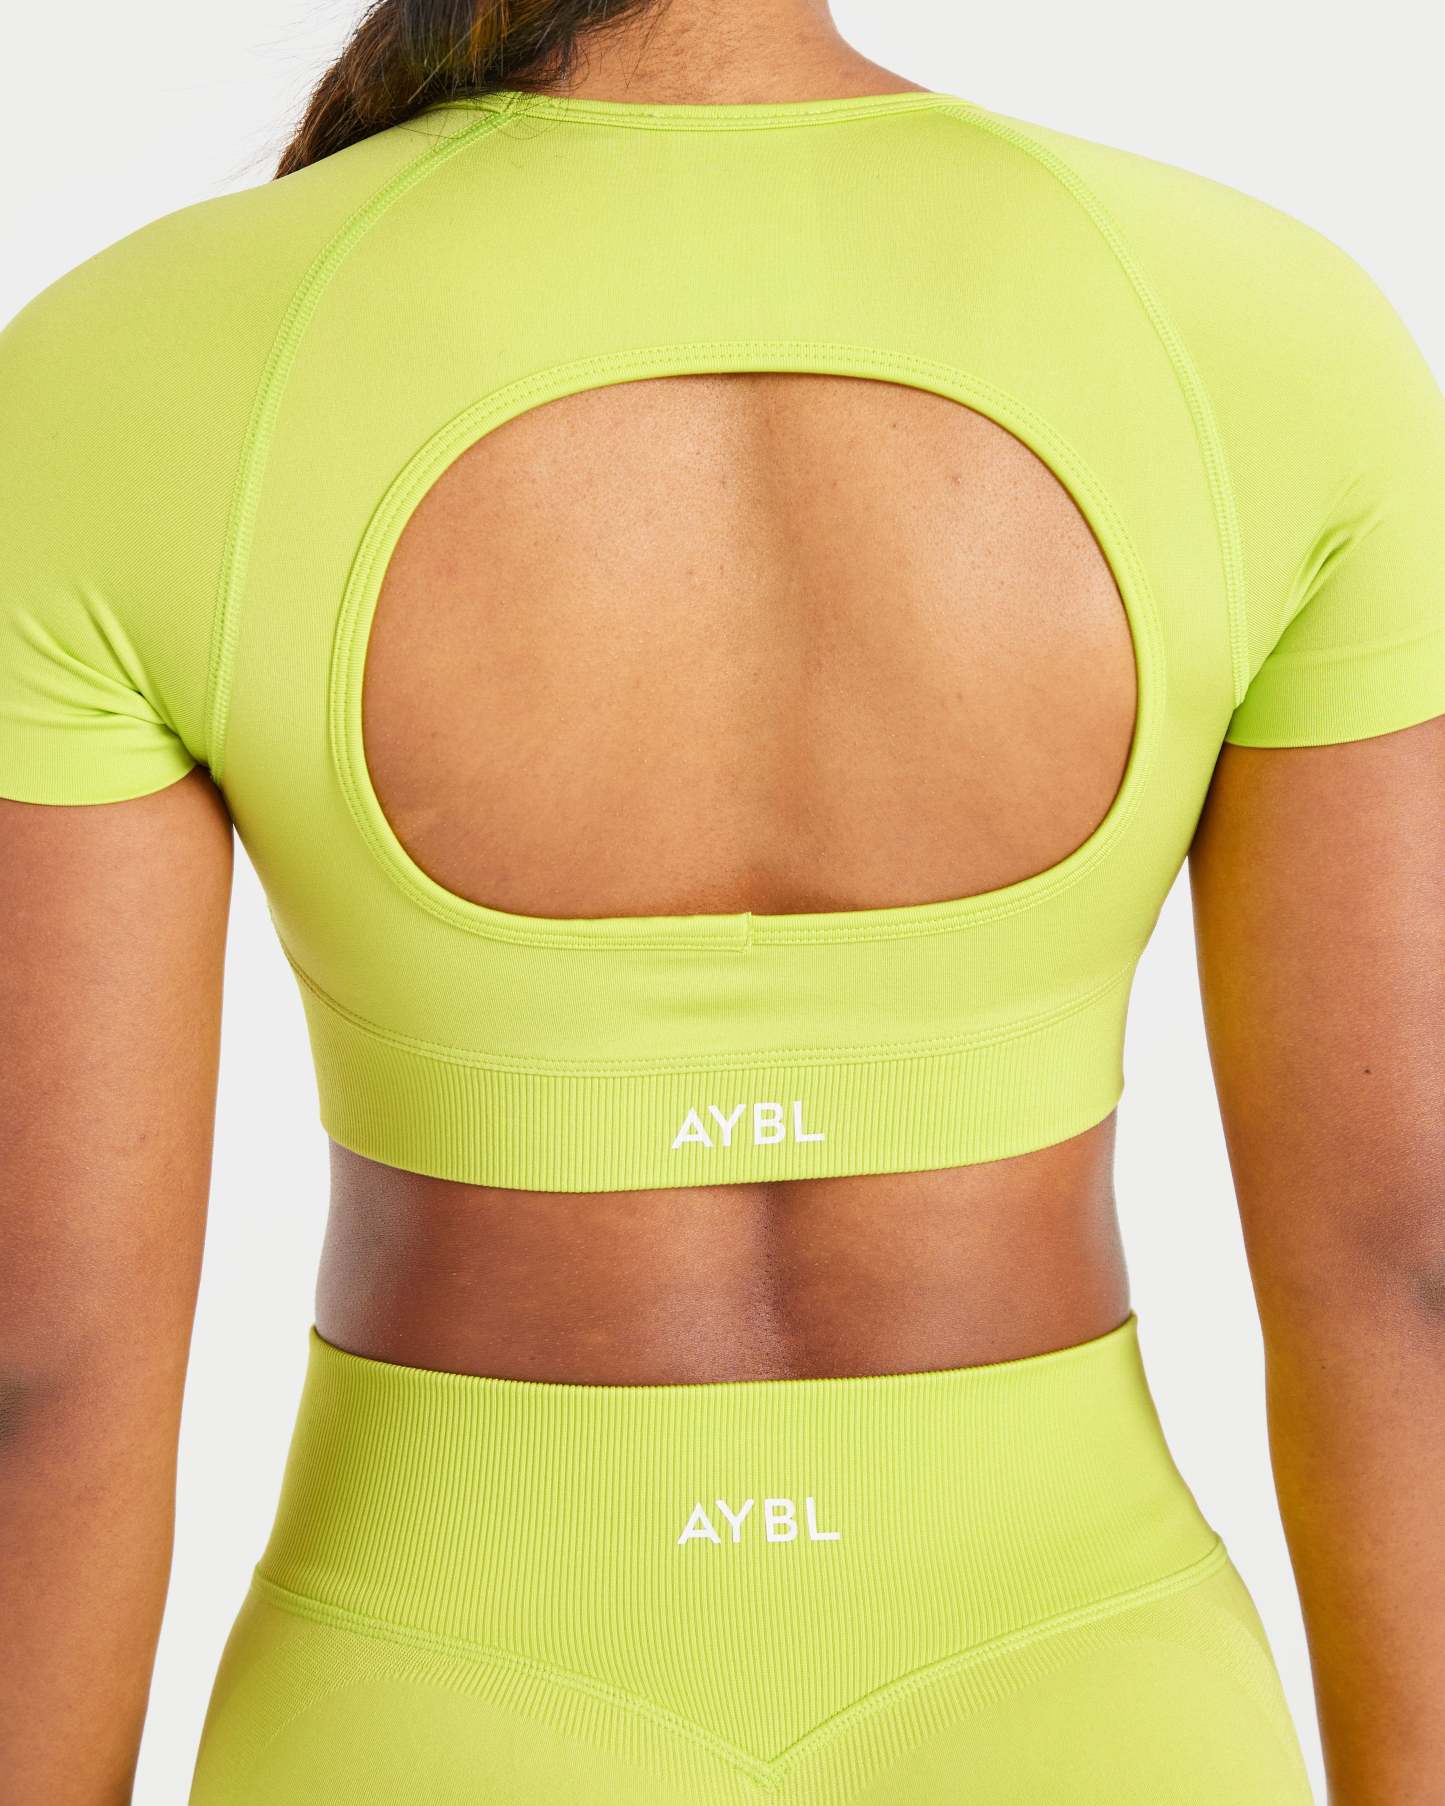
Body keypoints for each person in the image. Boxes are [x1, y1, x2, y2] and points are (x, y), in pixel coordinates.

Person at [2, 0, 1443, 1799]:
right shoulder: (1252, 325)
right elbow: (1404, 1261)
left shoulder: (135, 364)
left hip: (424, 1692)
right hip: (1088, 1690)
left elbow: (39, 1357)